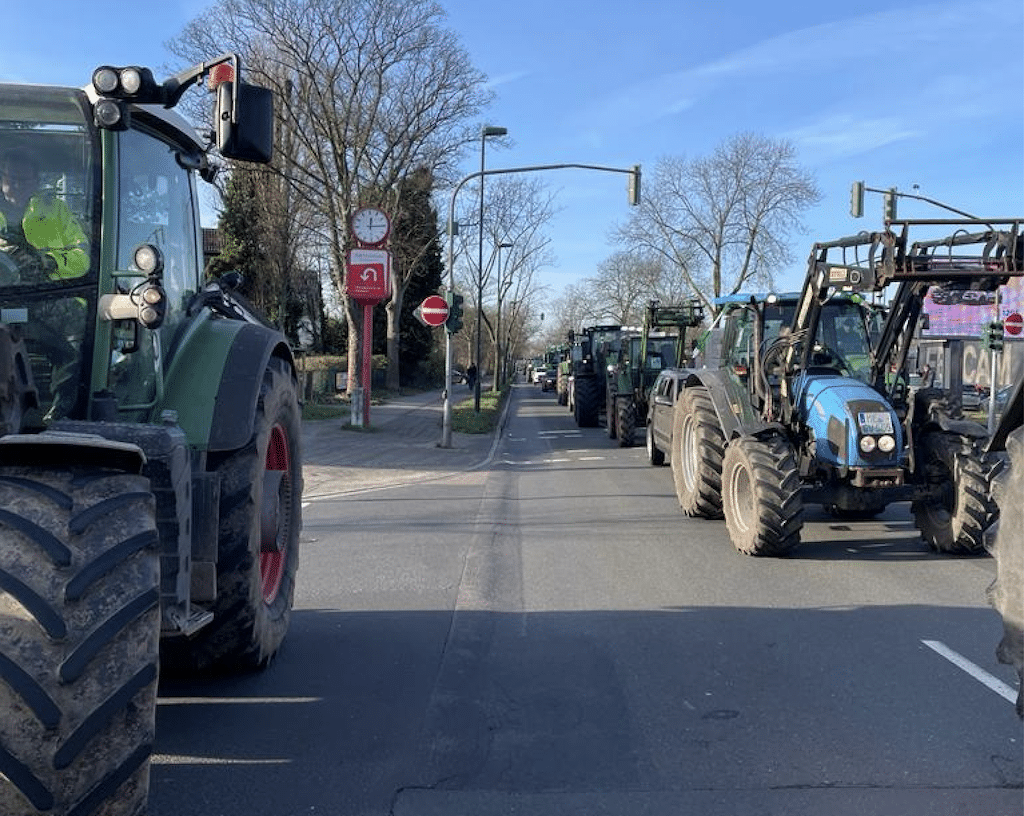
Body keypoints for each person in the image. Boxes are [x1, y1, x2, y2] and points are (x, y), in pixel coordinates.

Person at [0, 146, 89, 280]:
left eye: (24, 180)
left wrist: (47, 261)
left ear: (36, 182)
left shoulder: (56, 209)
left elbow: (84, 258)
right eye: (12, 179)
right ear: (2, 179)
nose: (17, 186)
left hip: (51, 292)